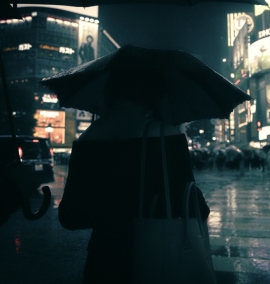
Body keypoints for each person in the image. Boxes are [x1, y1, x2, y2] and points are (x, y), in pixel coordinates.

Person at [58, 68, 210, 283]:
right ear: (153, 94)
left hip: (103, 263)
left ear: (109, 91)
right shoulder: (165, 134)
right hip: (157, 257)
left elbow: (70, 217)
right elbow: (195, 207)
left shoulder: (87, 138)